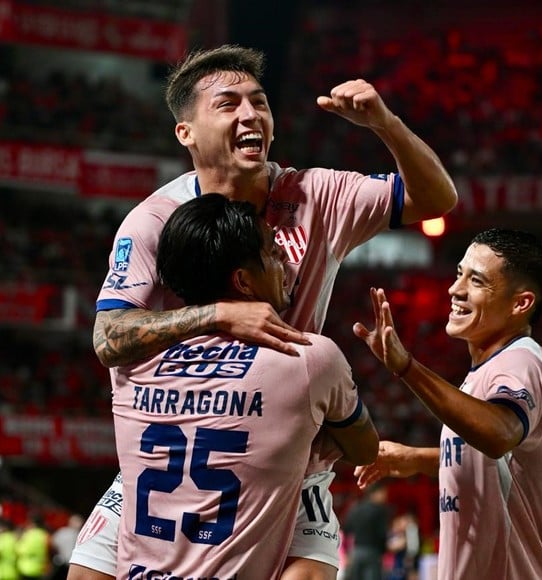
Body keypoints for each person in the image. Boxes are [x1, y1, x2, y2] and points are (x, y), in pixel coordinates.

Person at [71, 43, 457, 580]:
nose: (251, 114)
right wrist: (218, 315)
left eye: (259, 102)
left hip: (289, 467)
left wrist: (385, 125)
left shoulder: (318, 194)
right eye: (228, 104)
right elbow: (109, 335)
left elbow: (437, 200)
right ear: (186, 132)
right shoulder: (154, 219)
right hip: (177, 456)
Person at [113, 193, 378, 578]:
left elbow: (114, 335)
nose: (286, 260)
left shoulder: (130, 364)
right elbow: (365, 449)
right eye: (273, 252)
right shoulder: (308, 358)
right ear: (243, 281)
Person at [352, 228, 542, 579]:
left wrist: (407, 368)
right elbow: (495, 465)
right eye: (459, 274)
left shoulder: (522, 359)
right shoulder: (488, 372)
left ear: (520, 304)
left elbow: (499, 433)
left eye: (476, 281)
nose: (455, 289)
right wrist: (415, 458)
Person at [341, 482, 390, 580]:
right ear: (374, 493)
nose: (385, 496)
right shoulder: (379, 510)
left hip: (356, 552)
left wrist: (347, 552)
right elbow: (382, 534)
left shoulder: (355, 508)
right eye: (383, 493)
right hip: (373, 552)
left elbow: (346, 529)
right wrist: (384, 551)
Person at [16, 514, 50, 580]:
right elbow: (48, 552)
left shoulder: (27, 534)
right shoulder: (45, 535)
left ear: (31, 523)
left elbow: (19, 550)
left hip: (24, 569)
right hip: (39, 569)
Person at [50, 515, 83, 580]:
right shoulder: (79, 535)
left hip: (64, 563)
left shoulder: (63, 531)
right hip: (68, 564)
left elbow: (53, 544)